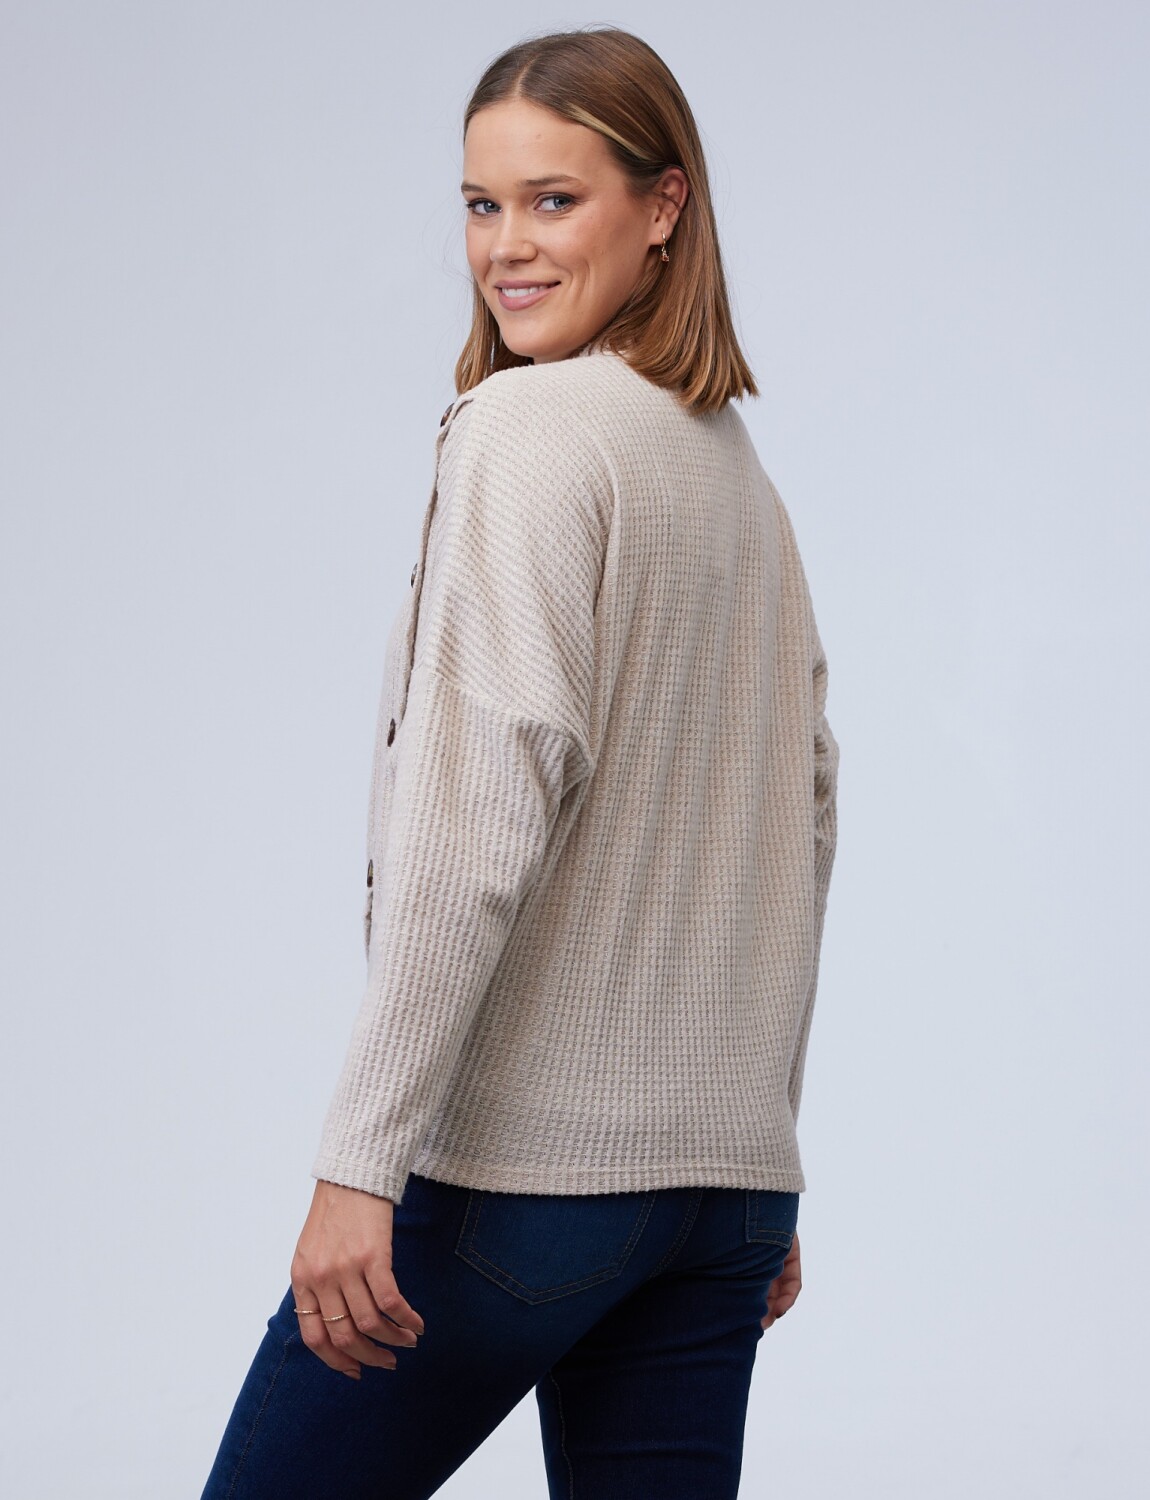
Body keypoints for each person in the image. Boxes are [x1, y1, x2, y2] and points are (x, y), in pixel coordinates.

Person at [201, 25, 839, 1500]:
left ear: (664, 206)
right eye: (483, 205)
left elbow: (477, 821)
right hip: (720, 1201)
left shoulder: (529, 431)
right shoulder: (735, 474)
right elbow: (801, 826)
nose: (506, 246)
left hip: (526, 1181)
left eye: (555, 200)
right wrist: (757, 1148)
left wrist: (361, 1164)